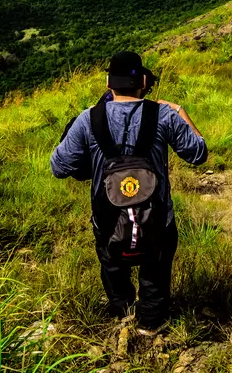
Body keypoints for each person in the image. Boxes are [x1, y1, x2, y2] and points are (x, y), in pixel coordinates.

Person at [50, 51, 207, 332]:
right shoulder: (163, 115)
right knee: (155, 272)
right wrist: (179, 110)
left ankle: (122, 313)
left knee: (113, 268)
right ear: (143, 82)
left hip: (107, 220)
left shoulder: (89, 119)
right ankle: (150, 325)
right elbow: (198, 153)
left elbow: (59, 167)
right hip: (157, 220)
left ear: (108, 83)